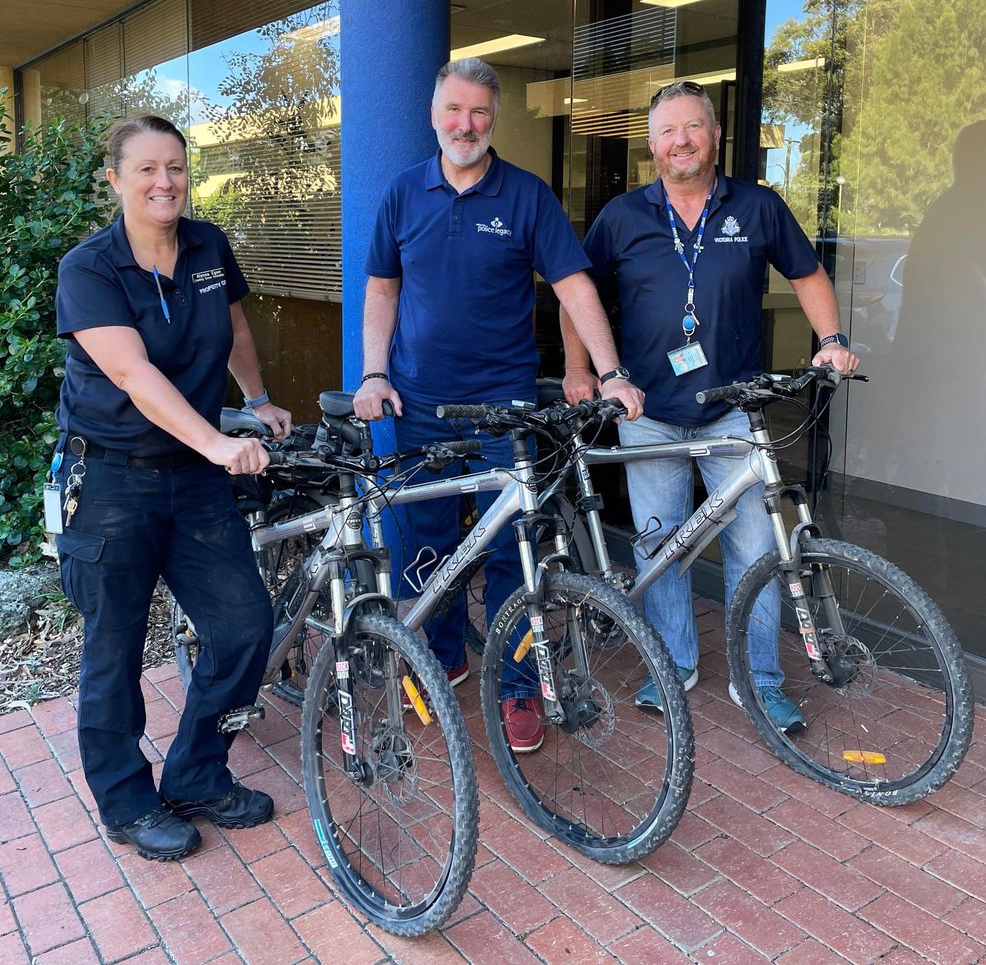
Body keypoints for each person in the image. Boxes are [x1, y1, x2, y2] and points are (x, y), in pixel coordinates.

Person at [353, 57, 643, 753]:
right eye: (454, 109)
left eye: (480, 111)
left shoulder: (526, 196)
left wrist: (612, 372)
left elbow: (574, 287)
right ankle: (443, 655)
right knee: (424, 543)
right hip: (419, 402)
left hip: (505, 409)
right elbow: (382, 292)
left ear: (495, 118)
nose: (466, 123)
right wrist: (372, 374)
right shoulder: (402, 194)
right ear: (434, 114)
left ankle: (517, 690)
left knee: (515, 548)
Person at [562, 80, 859, 731]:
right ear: (651, 146)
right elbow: (573, 293)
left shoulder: (757, 208)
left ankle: (759, 680)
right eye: (668, 131)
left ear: (716, 136)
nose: (682, 141)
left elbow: (807, 273)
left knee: (755, 550)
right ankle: (672, 663)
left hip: (733, 410)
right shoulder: (623, 215)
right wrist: (580, 369)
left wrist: (831, 341)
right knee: (658, 547)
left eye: (693, 127)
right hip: (650, 413)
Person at [52, 113, 293, 862]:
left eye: (177, 168)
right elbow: (132, 373)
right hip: (113, 480)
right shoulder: (89, 268)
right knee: (114, 648)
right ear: (115, 178)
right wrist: (222, 441)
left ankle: (196, 773)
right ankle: (126, 802)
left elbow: (234, 328)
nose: (165, 182)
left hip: (193, 480)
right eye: (148, 169)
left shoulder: (208, 245)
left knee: (246, 625)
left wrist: (255, 400)